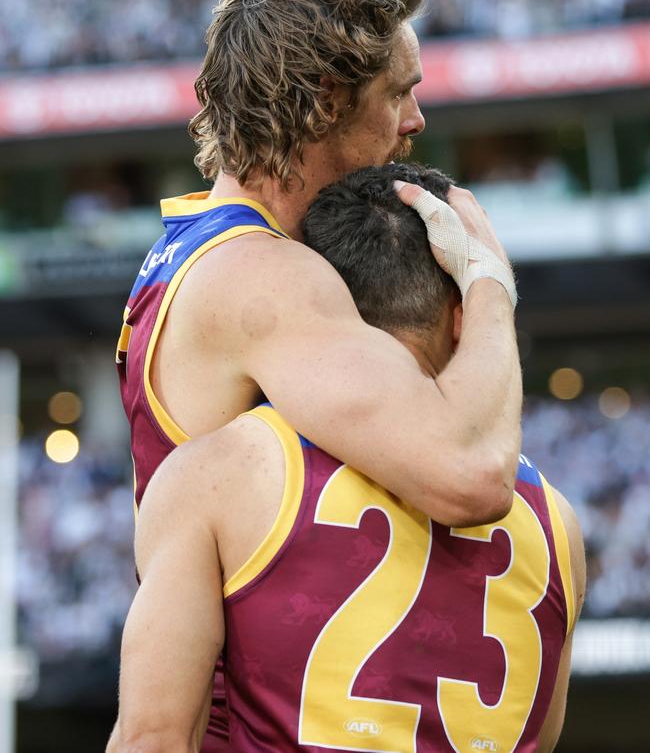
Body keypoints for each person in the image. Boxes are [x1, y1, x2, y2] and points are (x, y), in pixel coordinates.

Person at [116, 0, 522, 749]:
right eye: (399, 92)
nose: (415, 121)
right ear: (326, 99)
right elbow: (468, 475)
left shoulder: (197, 244)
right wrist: (489, 287)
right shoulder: (270, 280)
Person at [110, 164, 585, 753]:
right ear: (464, 320)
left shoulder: (217, 475)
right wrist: (491, 284)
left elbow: (152, 739)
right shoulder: (557, 523)